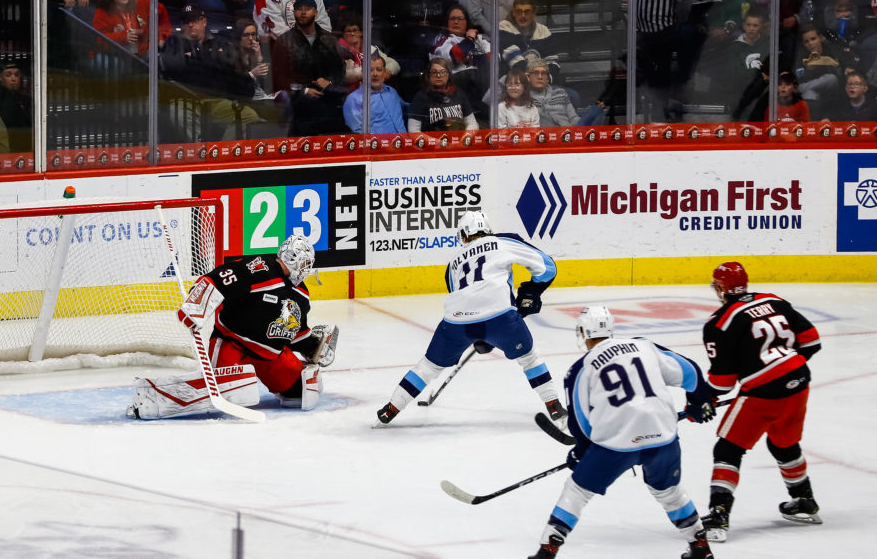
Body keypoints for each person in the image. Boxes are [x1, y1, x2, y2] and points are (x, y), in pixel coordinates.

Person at [528, 306, 717, 559]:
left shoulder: (579, 369)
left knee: (577, 491)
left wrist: (582, 452)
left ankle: (547, 550)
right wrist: (698, 402)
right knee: (670, 492)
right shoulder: (644, 345)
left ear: (583, 332)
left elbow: (580, 421)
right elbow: (690, 372)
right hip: (663, 437)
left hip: (616, 446)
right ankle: (700, 546)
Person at [375, 209, 564, 427]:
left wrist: (477, 336)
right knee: (529, 358)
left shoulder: (452, 264)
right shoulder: (503, 241)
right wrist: (530, 293)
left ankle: (391, 408)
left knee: (428, 367)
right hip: (500, 316)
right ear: (488, 231)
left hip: (456, 323)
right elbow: (548, 268)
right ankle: (553, 405)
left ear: (463, 235)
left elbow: (464, 300)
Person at [699, 262, 823, 543]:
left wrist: (703, 400)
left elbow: (722, 382)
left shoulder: (719, 322)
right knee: (783, 442)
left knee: (728, 448)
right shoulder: (773, 300)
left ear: (720, 288)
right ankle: (804, 499)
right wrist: (785, 368)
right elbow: (812, 341)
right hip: (799, 382)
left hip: (763, 393)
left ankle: (719, 513)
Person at [176, 234, 336, 410]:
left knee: (299, 391)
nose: (307, 269)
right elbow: (219, 279)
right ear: (294, 260)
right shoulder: (260, 269)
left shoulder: (301, 295)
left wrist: (312, 346)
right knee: (227, 393)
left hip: (270, 355)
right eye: (305, 263)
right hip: (233, 344)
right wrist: (196, 304)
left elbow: (295, 332)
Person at [161, 5, 262, 140]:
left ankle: (220, 153)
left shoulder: (220, 42)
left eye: (195, 20)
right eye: (186, 21)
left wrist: (193, 57)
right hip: (185, 100)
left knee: (248, 115)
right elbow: (174, 66)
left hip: (216, 101)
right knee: (177, 114)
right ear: (182, 25)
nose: (190, 25)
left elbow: (230, 69)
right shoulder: (174, 42)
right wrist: (210, 58)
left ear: (204, 22)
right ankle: (198, 154)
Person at [272, 0, 348, 135]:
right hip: (298, 104)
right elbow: (278, 78)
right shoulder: (283, 42)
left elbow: (340, 70)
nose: (303, 12)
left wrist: (329, 81)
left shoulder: (328, 39)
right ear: (294, 13)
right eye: (299, 9)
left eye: (307, 8)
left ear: (315, 12)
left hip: (328, 99)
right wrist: (304, 91)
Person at [93, 0, 173, 57]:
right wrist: (123, 37)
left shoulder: (141, 2)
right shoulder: (102, 12)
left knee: (162, 61)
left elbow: (162, 10)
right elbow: (98, 39)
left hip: (143, 53)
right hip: (113, 55)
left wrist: (162, 35)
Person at [407, 57, 479, 131]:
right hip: (432, 141)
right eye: (434, 72)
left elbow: (472, 123)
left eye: (443, 72)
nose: (439, 75)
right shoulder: (420, 97)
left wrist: (465, 138)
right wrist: (440, 142)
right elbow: (413, 131)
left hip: (459, 140)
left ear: (448, 74)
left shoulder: (458, 93)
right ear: (429, 75)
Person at [343, 53, 408, 133]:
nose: (375, 74)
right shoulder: (353, 100)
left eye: (379, 69)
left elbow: (408, 109)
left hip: (404, 143)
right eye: (370, 70)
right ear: (363, 73)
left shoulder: (392, 92)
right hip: (377, 145)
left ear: (384, 73)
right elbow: (359, 134)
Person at [526, 56, 579, 127]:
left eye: (543, 73)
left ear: (547, 78)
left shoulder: (560, 92)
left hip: (566, 133)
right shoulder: (524, 97)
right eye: (536, 73)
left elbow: (573, 117)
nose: (540, 77)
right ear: (528, 77)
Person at [0, 61, 33, 152]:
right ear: (0, 77)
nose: (13, 78)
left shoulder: (25, 99)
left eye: (17, 75)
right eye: (8, 75)